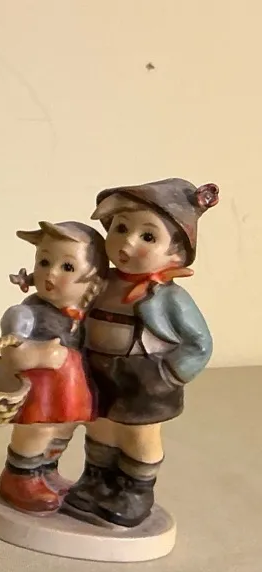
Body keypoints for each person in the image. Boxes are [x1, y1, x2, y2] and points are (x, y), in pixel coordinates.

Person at [64, 180, 217, 527]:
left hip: (144, 376)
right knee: (100, 426)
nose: (127, 243)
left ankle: (135, 490)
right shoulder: (100, 282)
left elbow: (200, 344)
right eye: (120, 228)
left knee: (139, 434)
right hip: (96, 367)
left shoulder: (169, 298)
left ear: (176, 254)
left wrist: (166, 375)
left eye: (148, 236)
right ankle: (96, 480)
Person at [0, 220, 108, 512]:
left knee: (64, 430)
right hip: (41, 392)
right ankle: (20, 476)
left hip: (71, 389)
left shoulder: (86, 315)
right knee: (39, 431)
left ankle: (46, 471)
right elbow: (11, 356)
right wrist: (39, 355)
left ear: (94, 281)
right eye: (44, 262)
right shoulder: (26, 314)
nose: (51, 273)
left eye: (67, 267)